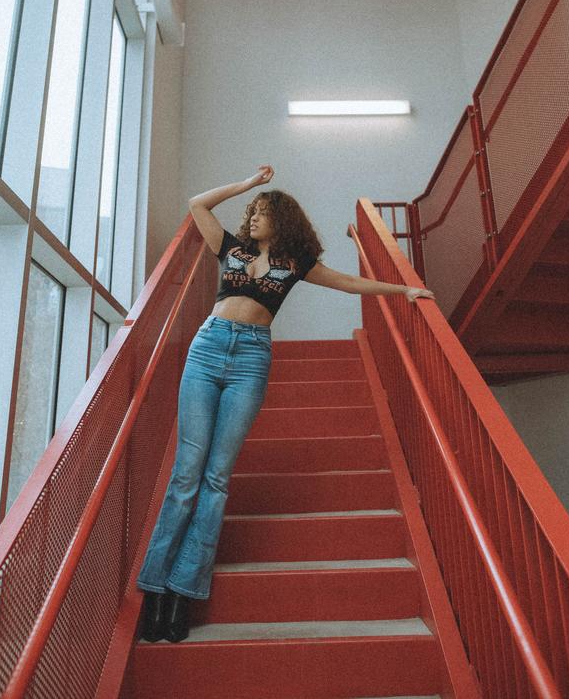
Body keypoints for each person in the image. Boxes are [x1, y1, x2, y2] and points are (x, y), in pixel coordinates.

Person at [136, 165, 436, 643]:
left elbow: (348, 283)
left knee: (216, 478)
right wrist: (249, 185)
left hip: (251, 358)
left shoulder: (296, 263)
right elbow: (198, 204)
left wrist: (403, 290)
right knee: (187, 474)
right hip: (208, 348)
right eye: (251, 211)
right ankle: (154, 590)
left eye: (262, 211)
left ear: (282, 219)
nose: (253, 216)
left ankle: (182, 593)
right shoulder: (230, 248)